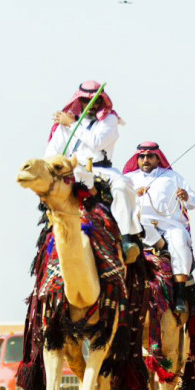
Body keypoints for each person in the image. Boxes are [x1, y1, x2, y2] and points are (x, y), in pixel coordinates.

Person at [45, 80, 144, 262]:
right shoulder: (65, 121)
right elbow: (51, 153)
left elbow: (97, 141)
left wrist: (73, 123)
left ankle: (128, 239)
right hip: (73, 171)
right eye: (86, 101)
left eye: (96, 101)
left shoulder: (109, 119)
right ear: (79, 100)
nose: (91, 105)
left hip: (102, 171)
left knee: (122, 188)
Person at [122, 142, 195, 314]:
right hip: (143, 226)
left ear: (158, 158)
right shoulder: (129, 178)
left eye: (150, 156)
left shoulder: (173, 177)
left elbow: (193, 202)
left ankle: (179, 294)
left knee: (179, 242)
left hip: (170, 226)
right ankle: (162, 248)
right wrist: (134, 194)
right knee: (136, 223)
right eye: (142, 156)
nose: (146, 160)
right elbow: (118, 201)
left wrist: (185, 196)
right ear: (137, 158)